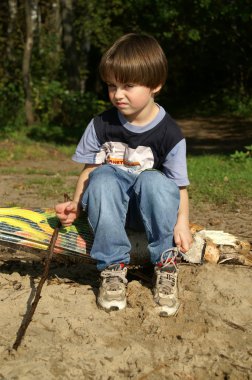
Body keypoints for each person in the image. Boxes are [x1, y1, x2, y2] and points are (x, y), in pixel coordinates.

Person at [55, 33, 193, 317]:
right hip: (111, 213)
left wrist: (182, 223)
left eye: (128, 85)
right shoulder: (100, 125)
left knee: (153, 180)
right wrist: (76, 206)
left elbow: (179, 186)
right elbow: (89, 172)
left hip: (152, 214)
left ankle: (165, 264)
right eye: (112, 85)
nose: (118, 94)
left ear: (155, 85)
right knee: (103, 175)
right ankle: (113, 269)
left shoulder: (170, 134)